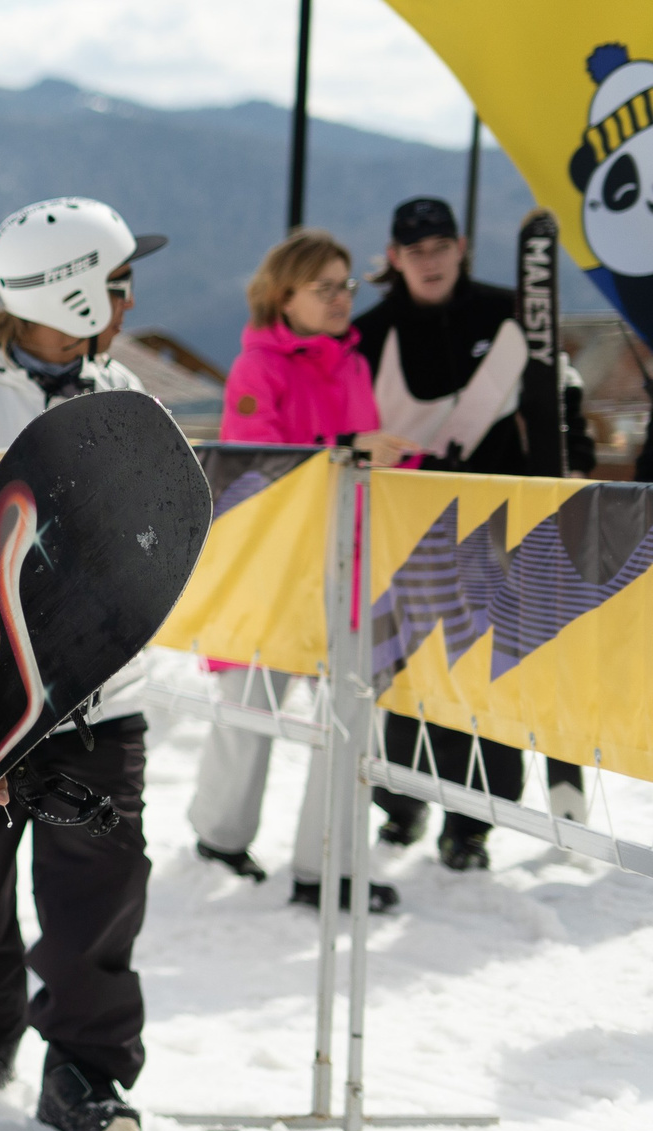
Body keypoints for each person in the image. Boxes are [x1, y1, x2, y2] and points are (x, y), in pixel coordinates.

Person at [0, 198, 165, 1131]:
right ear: (68, 289)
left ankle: (88, 1072)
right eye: (114, 280)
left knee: (98, 889)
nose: (127, 297)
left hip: (101, 697)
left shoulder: (124, 394)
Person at [353, 197, 587, 868]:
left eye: (440, 247)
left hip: (502, 524)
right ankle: (401, 802)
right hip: (408, 527)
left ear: (460, 247)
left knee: (489, 677)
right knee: (409, 670)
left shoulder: (509, 312)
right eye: (414, 251)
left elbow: (557, 391)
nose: (429, 261)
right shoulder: (370, 334)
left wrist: (575, 450)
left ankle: (473, 824)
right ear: (395, 258)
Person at [186, 228, 409, 913]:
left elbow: (355, 461)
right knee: (252, 708)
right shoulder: (259, 368)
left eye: (348, 285)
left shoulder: (351, 362)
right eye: (326, 287)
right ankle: (219, 835)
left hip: (348, 562)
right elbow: (258, 463)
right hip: (277, 569)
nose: (343, 299)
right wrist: (350, 448)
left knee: (349, 714)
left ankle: (328, 865)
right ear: (285, 294)